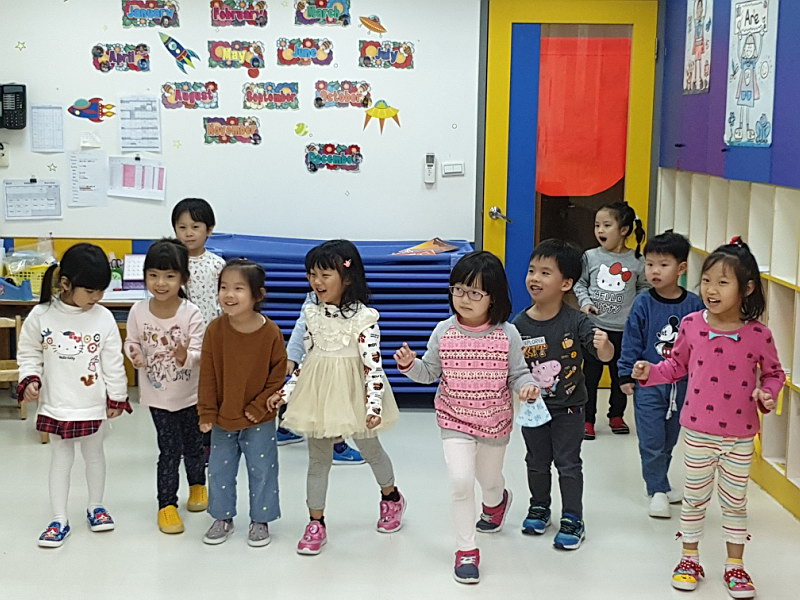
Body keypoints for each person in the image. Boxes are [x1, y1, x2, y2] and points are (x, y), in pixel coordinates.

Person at [632, 238, 784, 598]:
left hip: (740, 436)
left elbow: (774, 374)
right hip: (699, 431)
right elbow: (676, 366)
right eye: (706, 281)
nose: (711, 290)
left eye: (722, 282)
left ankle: (735, 566)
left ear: (747, 288)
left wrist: (767, 394)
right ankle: (689, 559)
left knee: (735, 502)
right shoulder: (691, 324)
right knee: (694, 499)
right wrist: (650, 372)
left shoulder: (758, 334)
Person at [395, 250, 539, 584]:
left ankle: (496, 503)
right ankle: (466, 550)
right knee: (461, 482)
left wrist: (527, 387)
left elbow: (519, 374)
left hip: (494, 423)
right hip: (454, 420)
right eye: (458, 290)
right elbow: (429, 372)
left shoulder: (507, 334)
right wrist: (409, 365)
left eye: (475, 292)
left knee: (489, 481)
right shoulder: (444, 331)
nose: (464, 299)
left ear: (493, 297)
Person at [270, 240, 404, 555]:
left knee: (370, 449)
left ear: (347, 277)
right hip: (319, 395)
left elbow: (373, 367)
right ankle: (316, 522)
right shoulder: (311, 314)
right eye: (312, 274)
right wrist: (286, 392)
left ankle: (391, 497)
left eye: (325, 274)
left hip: (355, 394)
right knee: (318, 460)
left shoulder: (364, 318)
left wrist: (373, 406)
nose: (316, 282)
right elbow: (306, 364)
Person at [16, 243, 131, 547]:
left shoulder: (103, 317)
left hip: (93, 404)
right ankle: (58, 518)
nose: (97, 298)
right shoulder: (41, 315)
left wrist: (117, 397)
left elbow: (113, 362)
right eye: (90, 291)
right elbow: (28, 353)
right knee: (60, 460)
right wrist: (30, 379)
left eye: (101, 291)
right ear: (65, 283)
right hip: (56, 403)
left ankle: (96, 507)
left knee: (94, 456)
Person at [512, 240, 613, 552]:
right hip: (534, 409)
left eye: (545, 272)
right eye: (532, 270)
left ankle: (572, 517)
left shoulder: (576, 321)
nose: (535, 278)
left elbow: (605, 356)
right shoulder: (518, 324)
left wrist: (604, 345)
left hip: (569, 408)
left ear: (566, 283)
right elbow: (513, 369)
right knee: (536, 461)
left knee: (568, 463)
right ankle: (539, 507)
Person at [197, 259, 287, 547]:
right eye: (224, 287)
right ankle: (222, 517)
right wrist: (206, 411)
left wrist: (259, 407)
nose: (229, 294)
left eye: (238, 288)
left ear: (258, 295)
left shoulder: (270, 332)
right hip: (223, 417)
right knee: (219, 469)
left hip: (260, 419)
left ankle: (261, 519)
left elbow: (277, 377)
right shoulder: (215, 330)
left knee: (263, 469)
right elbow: (208, 374)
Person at [617, 232, 704, 518]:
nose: (654, 271)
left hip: (682, 385)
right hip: (648, 383)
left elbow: (702, 345)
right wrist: (626, 373)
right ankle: (655, 490)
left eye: (663, 265)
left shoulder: (694, 305)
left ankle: (661, 484)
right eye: (650, 264)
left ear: (681, 268)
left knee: (669, 438)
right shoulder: (643, 302)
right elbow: (632, 339)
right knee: (651, 439)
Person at [125, 239, 207, 535]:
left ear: (183, 278)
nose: (160, 283)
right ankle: (166, 505)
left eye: (170, 276)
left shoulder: (190, 313)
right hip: (157, 396)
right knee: (169, 450)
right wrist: (133, 353)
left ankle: (198, 485)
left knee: (194, 446)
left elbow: (200, 353)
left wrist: (186, 356)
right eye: (154, 275)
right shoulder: (138, 311)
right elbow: (132, 341)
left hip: (191, 395)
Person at [574, 201, 648, 439]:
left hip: (625, 331)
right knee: (590, 377)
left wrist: (636, 309)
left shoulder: (637, 261)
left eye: (606, 225)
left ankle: (616, 415)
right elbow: (580, 283)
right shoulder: (590, 256)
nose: (600, 230)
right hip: (595, 328)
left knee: (620, 377)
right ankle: (587, 419)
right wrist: (585, 302)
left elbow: (644, 288)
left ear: (624, 230)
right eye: (597, 225)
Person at [277, 291, 366, 465]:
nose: (318, 282)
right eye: (313, 277)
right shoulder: (317, 298)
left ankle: (285, 430)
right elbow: (302, 326)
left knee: (308, 395)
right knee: (330, 400)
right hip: (322, 361)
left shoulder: (346, 300)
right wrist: (292, 357)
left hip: (333, 360)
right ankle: (336, 445)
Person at [171, 197, 226, 462]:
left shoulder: (217, 264)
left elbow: (224, 301)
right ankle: (185, 441)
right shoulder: (172, 263)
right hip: (180, 341)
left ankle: (206, 443)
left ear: (209, 230)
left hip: (210, 339)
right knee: (182, 391)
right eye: (182, 227)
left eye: (195, 227)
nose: (189, 233)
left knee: (207, 392)